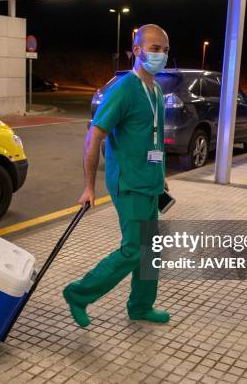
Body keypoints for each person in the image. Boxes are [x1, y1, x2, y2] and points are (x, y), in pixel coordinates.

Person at [63, 24, 171, 328]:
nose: (159, 54)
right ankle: (78, 294)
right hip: (129, 182)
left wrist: (160, 174)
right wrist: (89, 186)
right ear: (136, 51)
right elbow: (94, 136)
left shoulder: (157, 91)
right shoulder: (123, 89)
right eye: (154, 48)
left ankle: (140, 306)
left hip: (149, 182)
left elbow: (155, 139)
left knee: (151, 250)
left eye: (164, 49)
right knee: (134, 249)